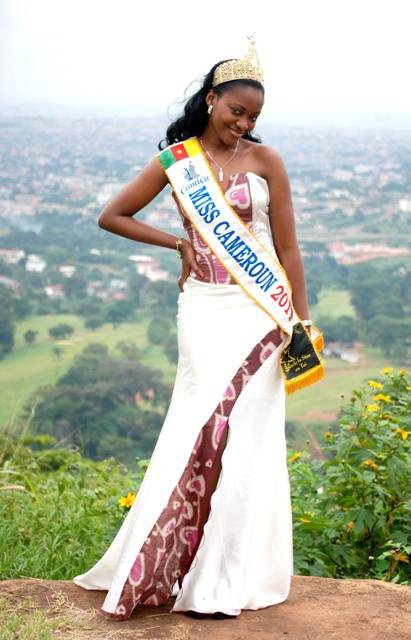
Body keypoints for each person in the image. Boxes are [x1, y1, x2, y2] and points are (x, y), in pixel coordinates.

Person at [74, 39, 323, 621]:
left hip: (263, 312)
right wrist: (177, 242)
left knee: (249, 436)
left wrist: (302, 320)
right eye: (237, 111)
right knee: (196, 423)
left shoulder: (267, 162)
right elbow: (113, 215)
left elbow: (287, 246)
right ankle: (167, 560)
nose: (244, 124)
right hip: (204, 309)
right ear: (212, 100)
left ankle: (231, 570)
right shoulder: (176, 161)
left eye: (254, 118)